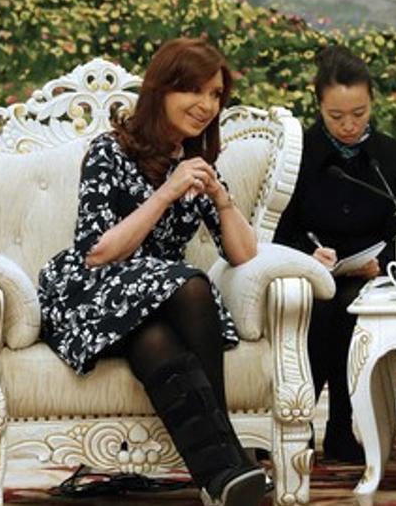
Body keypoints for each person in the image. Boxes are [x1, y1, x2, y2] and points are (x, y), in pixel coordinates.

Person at [37, 38, 266, 506]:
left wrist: (220, 197)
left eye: (216, 95)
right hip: (92, 294)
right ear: (162, 90)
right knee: (191, 284)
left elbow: (243, 254)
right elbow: (98, 252)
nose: (206, 106)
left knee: (155, 341)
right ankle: (231, 453)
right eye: (195, 91)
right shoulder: (109, 152)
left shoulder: (193, 165)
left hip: (149, 307)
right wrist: (165, 194)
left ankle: (217, 477)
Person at [273, 45, 396, 464]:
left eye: (359, 113)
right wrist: (307, 255)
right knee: (324, 308)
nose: (349, 126)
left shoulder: (392, 155)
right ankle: (304, 423)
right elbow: (281, 226)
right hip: (311, 271)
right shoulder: (297, 154)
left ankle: (338, 427)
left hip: (371, 274)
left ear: (372, 102)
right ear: (319, 106)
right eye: (336, 117)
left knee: (351, 307)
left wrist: (383, 262)